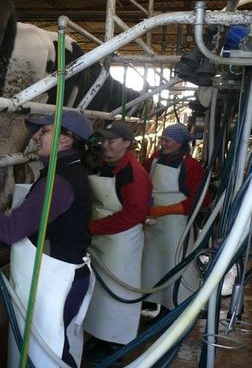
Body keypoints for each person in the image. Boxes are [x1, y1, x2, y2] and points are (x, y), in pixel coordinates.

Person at [0, 111, 95, 367]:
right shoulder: (67, 171)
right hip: (64, 275)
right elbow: (36, 228)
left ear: (65, 139)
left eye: (43, 131)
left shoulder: (58, 181)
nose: (35, 136)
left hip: (57, 281)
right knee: (49, 350)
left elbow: (14, 230)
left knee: (48, 355)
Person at [82, 121, 152, 363]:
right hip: (102, 236)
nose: (106, 146)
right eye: (104, 141)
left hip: (121, 241)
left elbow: (134, 214)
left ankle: (116, 344)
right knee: (101, 292)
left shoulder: (133, 173)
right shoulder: (105, 166)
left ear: (127, 144)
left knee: (117, 291)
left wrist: (93, 227)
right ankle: (102, 337)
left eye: (112, 141)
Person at [141, 123, 205, 314]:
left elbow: (200, 200)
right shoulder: (154, 159)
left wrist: (164, 210)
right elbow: (143, 181)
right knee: (151, 265)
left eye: (167, 140)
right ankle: (151, 301)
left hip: (175, 227)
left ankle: (175, 308)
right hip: (152, 223)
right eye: (162, 139)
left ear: (179, 143)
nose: (163, 143)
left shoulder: (191, 166)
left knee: (174, 264)